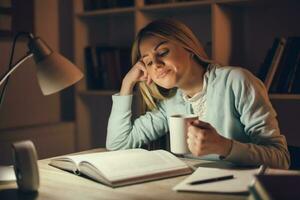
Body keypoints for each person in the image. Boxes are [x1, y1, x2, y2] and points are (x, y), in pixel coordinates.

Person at [106, 19, 290, 169]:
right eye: (147, 62)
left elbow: (281, 159)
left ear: (188, 48)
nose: (155, 64)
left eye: (162, 52)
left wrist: (225, 146)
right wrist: (126, 85)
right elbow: (118, 144)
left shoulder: (236, 81)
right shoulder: (171, 103)